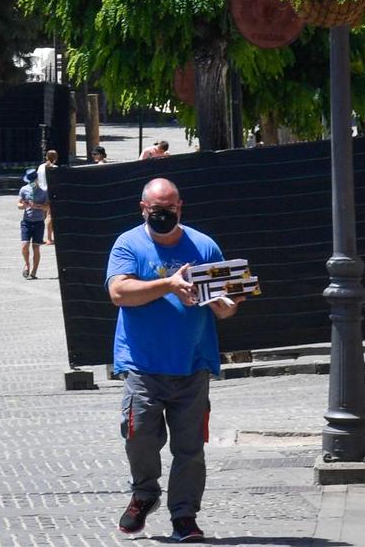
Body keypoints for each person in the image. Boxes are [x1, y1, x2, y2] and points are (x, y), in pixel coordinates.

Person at [107, 178, 240, 543]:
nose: (163, 215)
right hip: (142, 364)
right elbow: (119, 292)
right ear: (143, 209)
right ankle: (144, 493)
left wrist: (224, 303)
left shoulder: (204, 246)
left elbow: (223, 307)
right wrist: (168, 285)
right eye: (156, 210)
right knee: (139, 437)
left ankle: (184, 516)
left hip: (193, 363)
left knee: (190, 449)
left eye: (170, 209)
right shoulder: (129, 244)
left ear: (180, 207)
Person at [17, 168, 49, 279]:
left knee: (36, 248)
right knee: (24, 245)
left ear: (36, 179)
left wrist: (37, 206)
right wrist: (25, 205)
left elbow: (48, 207)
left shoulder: (44, 192)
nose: (31, 183)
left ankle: (34, 271)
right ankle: (27, 264)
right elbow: (19, 204)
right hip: (26, 222)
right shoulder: (24, 189)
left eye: (32, 180)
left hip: (39, 222)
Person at [39, 149, 62, 244]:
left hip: (40, 191)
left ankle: (39, 237)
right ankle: (49, 238)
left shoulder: (40, 167)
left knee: (41, 216)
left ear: (46, 157)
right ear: (55, 158)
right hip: (50, 192)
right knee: (50, 215)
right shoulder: (55, 168)